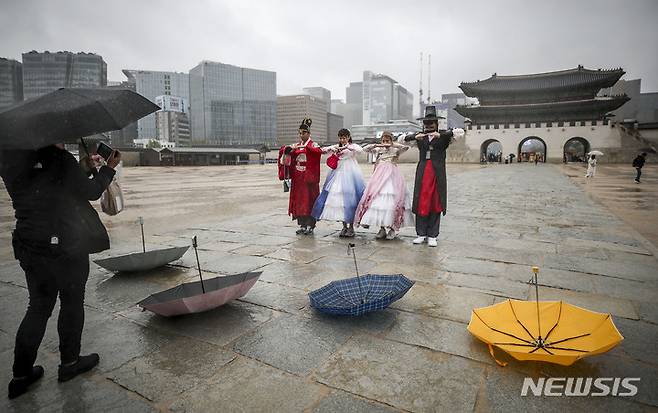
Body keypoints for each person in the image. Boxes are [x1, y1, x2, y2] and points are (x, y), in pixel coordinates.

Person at [0, 144, 121, 399]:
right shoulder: (58, 158)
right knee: (72, 303)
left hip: (30, 244)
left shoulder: (10, 160)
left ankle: (20, 376)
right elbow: (88, 191)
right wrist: (108, 169)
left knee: (38, 307)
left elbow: (48, 187)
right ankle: (69, 363)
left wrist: (81, 168)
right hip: (67, 244)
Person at [409, 105, 464, 247]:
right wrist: (415, 136)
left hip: (437, 173)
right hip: (423, 173)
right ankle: (421, 233)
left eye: (431, 123)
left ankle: (433, 235)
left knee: (435, 202)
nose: (428, 125)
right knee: (421, 202)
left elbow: (460, 132)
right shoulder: (420, 138)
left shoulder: (444, 137)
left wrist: (442, 134)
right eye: (426, 123)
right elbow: (402, 139)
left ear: (437, 124)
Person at [354, 131, 413, 240]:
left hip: (392, 178)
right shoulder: (379, 150)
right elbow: (365, 149)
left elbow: (406, 148)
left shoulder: (395, 150)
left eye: (388, 140)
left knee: (391, 202)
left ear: (391, 141)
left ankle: (392, 228)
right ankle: (382, 228)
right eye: (383, 140)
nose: (385, 143)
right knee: (378, 202)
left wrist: (393, 145)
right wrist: (377, 145)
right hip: (379, 178)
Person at [312, 129, 365, 237]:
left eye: (344, 137)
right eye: (340, 138)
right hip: (337, 174)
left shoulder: (352, 146)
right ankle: (344, 226)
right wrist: (332, 148)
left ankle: (351, 227)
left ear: (348, 137)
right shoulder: (337, 146)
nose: (342, 140)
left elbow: (360, 150)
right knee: (339, 201)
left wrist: (348, 147)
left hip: (351, 173)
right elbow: (323, 150)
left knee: (350, 199)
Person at [281, 117, 322, 235]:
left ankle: (311, 224)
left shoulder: (313, 144)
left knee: (310, 200)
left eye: (304, 132)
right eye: (300, 133)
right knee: (299, 201)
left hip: (308, 177)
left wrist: (306, 148)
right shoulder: (297, 145)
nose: (301, 135)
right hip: (298, 177)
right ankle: (302, 225)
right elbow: (287, 154)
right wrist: (288, 150)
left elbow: (318, 152)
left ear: (309, 133)